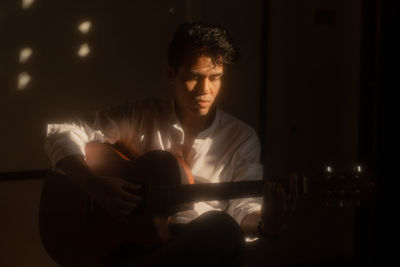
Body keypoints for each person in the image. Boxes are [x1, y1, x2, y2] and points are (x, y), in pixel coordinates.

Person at [45, 22, 294, 267]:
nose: (204, 90)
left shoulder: (241, 138)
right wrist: (93, 183)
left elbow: (244, 207)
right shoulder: (141, 115)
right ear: (171, 74)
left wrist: (265, 223)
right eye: (193, 77)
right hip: (130, 246)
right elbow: (62, 131)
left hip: (197, 249)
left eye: (215, 78)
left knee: (223, 228)